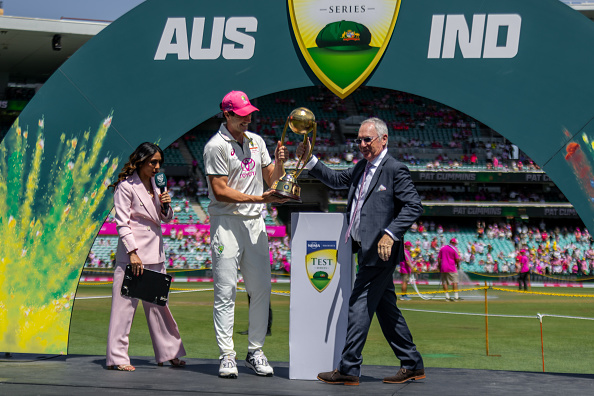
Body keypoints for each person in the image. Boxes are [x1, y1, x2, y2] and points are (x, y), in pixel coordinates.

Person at [297, 117, 425, 385]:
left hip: (380, 254)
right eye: (359, 140)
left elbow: (414, 206)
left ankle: (348, 368)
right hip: (363, 251)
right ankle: (412, 363)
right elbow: (334, 179)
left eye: (368, 139)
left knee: (357, 307)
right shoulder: (361, 168)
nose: (363, 144)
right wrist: (310, 161)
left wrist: (390, 233)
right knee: (387, 310)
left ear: (384, 139)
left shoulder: (395, 169)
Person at [203, 90, 288, 378]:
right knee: (225, 291)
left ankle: (255, 351)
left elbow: (272, 178)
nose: (248, 118)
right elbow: (220, 191)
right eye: (241, 115)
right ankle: (227, 355)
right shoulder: (215, 146)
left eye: (249, 113)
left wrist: (281, 162)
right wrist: (261, 199)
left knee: (261, 288)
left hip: (255, 224)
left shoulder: (257, 141)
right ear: (226, 114)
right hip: (226, 223)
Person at [106, 142, 186, 372]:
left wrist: (165, 206)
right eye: (153, 162)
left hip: (156, 254)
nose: (157, 167)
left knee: (159, 307)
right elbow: (122, 223)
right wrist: (132, 253)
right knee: (123, 309)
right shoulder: (125, 186)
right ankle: (118, 357)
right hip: (133, 257)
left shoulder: (158, 184)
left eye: (160, 162)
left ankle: (169, 353)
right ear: (141, 161)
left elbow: (167, 218)